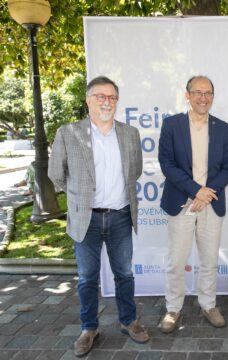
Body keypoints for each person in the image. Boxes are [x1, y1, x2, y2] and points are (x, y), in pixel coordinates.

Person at [48, 76, 148, 357]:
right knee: (87, 278)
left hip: (119, 217)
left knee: (125, 274)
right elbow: (56, 173)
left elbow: (135, 171)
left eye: (112, 97)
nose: (107, 102)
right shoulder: (68, 133)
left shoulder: (130, 134)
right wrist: (79, 195)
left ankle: (129, 322)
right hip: (86, 219)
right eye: (101, 96)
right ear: (88, 100)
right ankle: (88, 328)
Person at [158, 75, 228, 333]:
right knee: (176, 260)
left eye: (208, 93)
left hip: (210, 203)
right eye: (198, 92)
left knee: (209, 260)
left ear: (213, 96)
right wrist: (196, 191)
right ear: (187, 94)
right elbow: (167, 164)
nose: (203, 98)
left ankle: (208, 304)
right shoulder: (171, 125)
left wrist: (207, 193)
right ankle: (173, 308)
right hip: (181, 201)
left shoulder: (223, 128)